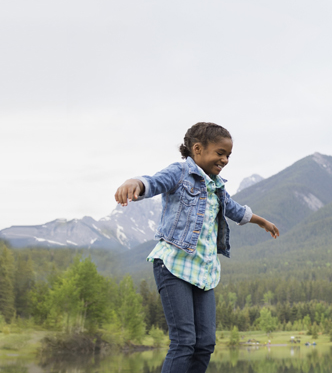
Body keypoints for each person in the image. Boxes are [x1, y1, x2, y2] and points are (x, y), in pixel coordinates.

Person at [114, 122, 280, 373]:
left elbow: (234, 210)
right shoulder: (180, 173)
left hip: (204, 271)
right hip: (174, 265)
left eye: (228, 155)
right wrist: (134, 182)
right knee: (184, 342)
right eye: (220, 153)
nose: (224, 159)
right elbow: (154, 182)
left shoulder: (217, 186)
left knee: (205, 344)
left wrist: (261, 221)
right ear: (198, 149)